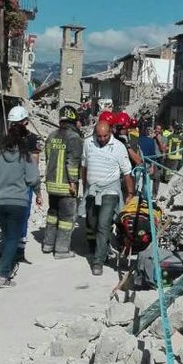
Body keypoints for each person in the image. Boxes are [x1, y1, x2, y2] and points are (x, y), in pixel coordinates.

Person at [0, 121, 40, 288]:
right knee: (13, 237)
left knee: (7, 235)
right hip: (18, 202)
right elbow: (32, 178)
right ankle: (3, 275)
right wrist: (38, 194)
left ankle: (6, 260)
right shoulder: (25, 156)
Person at [83, 120, 134, 276]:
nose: (102, 139)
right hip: (92, 191)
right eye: (99, 136)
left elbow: (127, 173)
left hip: (110, 191)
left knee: (103, 224)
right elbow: (84, 166)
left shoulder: (118, 147)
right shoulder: (88, 143)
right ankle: (103, 251)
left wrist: (130, 194)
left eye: (105, 136)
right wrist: (84, 187)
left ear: (110, 132)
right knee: (92, 222)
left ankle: (98, 262)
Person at [43, 105, 84, 259]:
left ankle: (48, 244)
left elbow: (48, 159)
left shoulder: (52, 136)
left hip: (51, 184)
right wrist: (73, 182)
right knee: (67, 219)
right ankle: (61, 250)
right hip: (66, 186)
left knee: (52, 214)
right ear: (74, 122)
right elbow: (72, 163)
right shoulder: (74, 138)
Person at [7, 105, 42, 262]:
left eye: (16, 123)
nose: (14, 127)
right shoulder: (6, 139)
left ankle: (19, 248)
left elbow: (34, 166)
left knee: (22, 216)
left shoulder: (32, 139)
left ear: (25, 122)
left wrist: (37, 190)